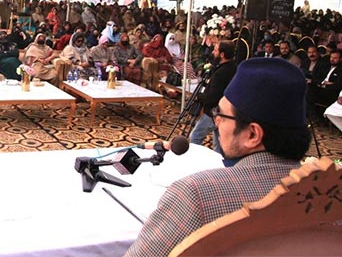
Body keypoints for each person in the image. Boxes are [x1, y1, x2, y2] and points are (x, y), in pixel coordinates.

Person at [125, 58, 311, 256]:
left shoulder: (197, 194)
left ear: (252, 135)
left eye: (220, 114)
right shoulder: (330, 192)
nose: (217, 122)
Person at [189, 40, 238, 151]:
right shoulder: (233, 68)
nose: (213, 53)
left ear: (222, 54)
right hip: (225, 112)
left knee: (195, 137)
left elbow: (213, 96)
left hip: (213, 111)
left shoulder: (221, 72)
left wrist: (199, 97)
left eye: (215, 50)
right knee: (219, 145)